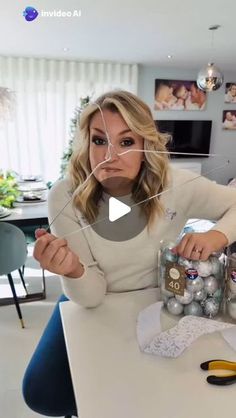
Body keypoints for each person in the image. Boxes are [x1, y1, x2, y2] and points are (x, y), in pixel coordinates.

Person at [22, 90, 236, 417]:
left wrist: (217, 235)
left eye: (125, 142)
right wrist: (72, 270)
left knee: (150, 392)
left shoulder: (176, 184)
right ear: (86, 144)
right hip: (88, 299)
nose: (110, 155)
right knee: (44, 394)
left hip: (154, 299)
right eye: (99, 141)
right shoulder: (66, 194)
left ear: (146, 145)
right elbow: (91, 296)